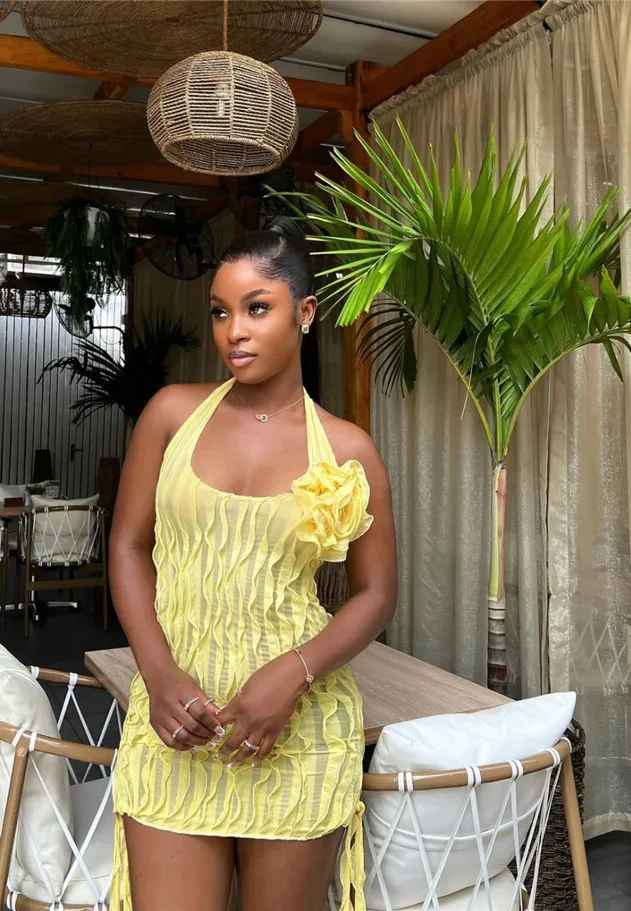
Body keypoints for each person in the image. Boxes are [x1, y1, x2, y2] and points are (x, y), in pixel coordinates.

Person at [108, 216, 398, 911]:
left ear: (305, 312)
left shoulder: (347, 449)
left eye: (256, 308)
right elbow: (126, 546)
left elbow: (376, 592)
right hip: (176, 730)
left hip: (297, 733)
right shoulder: (171, 416)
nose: (233, 331)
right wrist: (157, 670)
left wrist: (292, 675)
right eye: (220, 312)